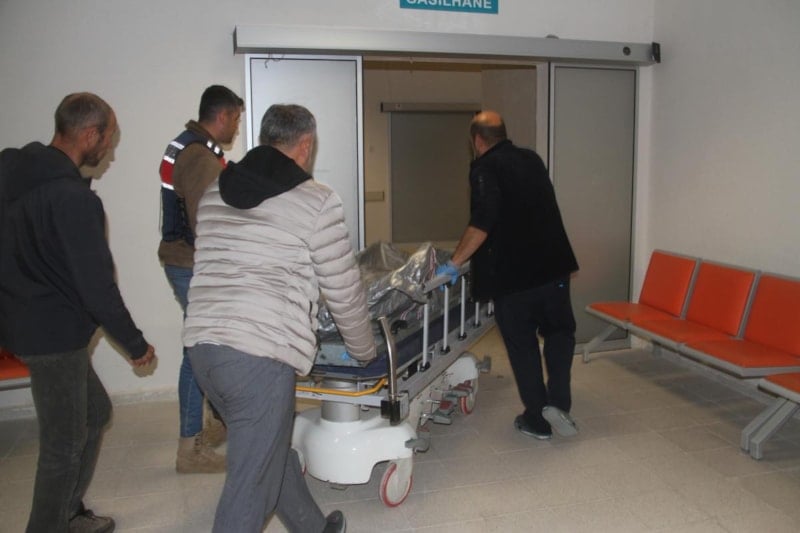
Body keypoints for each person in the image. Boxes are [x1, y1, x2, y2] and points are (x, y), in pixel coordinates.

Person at [183, 104, 375, 533]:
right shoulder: (316, 200)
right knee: (251, 488)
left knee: (267, 450)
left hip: (203, 350)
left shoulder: (215, 192)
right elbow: (343, 290)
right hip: (258, 357)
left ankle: (313, 528)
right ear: (305, 145)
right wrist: (364, 352)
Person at [0, 92, 156, 533]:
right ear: (90, 134)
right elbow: (96, 286)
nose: (110, 150)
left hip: (23, 322)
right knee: (62, 444)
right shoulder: (72, 199)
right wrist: (135, 344)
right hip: (53, 335)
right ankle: (51, 524)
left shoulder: (11, 168)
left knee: (95, 413)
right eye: (109, 138)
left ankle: (67, 512)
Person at [437, 110, 579, 440]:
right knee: (560, 334)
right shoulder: (532, 159)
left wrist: (455, 263)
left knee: (523, 346)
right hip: (554, 268)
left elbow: (482, 221)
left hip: (515, 278)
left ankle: (537, 420)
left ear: (477, 140)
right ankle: (559, 404)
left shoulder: (485, 167)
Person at [158, 85, 243, 473]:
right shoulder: (199, 157)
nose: (236, 126)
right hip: (192, 265)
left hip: (188, 262)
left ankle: (211, 426)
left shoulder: (194, 147)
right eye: (235, 119)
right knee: (198, 354)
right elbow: (206, 225)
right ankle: (189, 449)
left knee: (204, 349)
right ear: (222, 116)